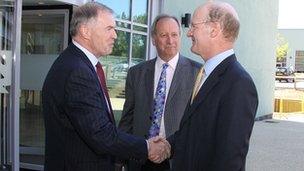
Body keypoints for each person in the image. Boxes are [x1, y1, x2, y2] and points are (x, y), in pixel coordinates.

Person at [42, 2, 170, 171]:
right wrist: (147, 147)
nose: (115, 35)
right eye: (109, 28)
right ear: (85, 31)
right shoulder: (77, 71)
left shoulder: (76, 63)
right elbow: (101, 134)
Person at [167, 1, 259, 171]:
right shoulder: (206, 74)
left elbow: (229, 160)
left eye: (194, 26)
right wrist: (166, 146)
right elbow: (193, 130)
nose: (189, 33)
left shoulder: (239, 84)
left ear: (214, 30)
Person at [118, 14, 201, 170]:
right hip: (141, 157)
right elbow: (127, 118)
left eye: (174, 35)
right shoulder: (136, 73)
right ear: (153, 39)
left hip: (177, 159)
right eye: (163, 35)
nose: (170, 40)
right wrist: (120, 158)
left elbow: (199, 123)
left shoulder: (197, 73)